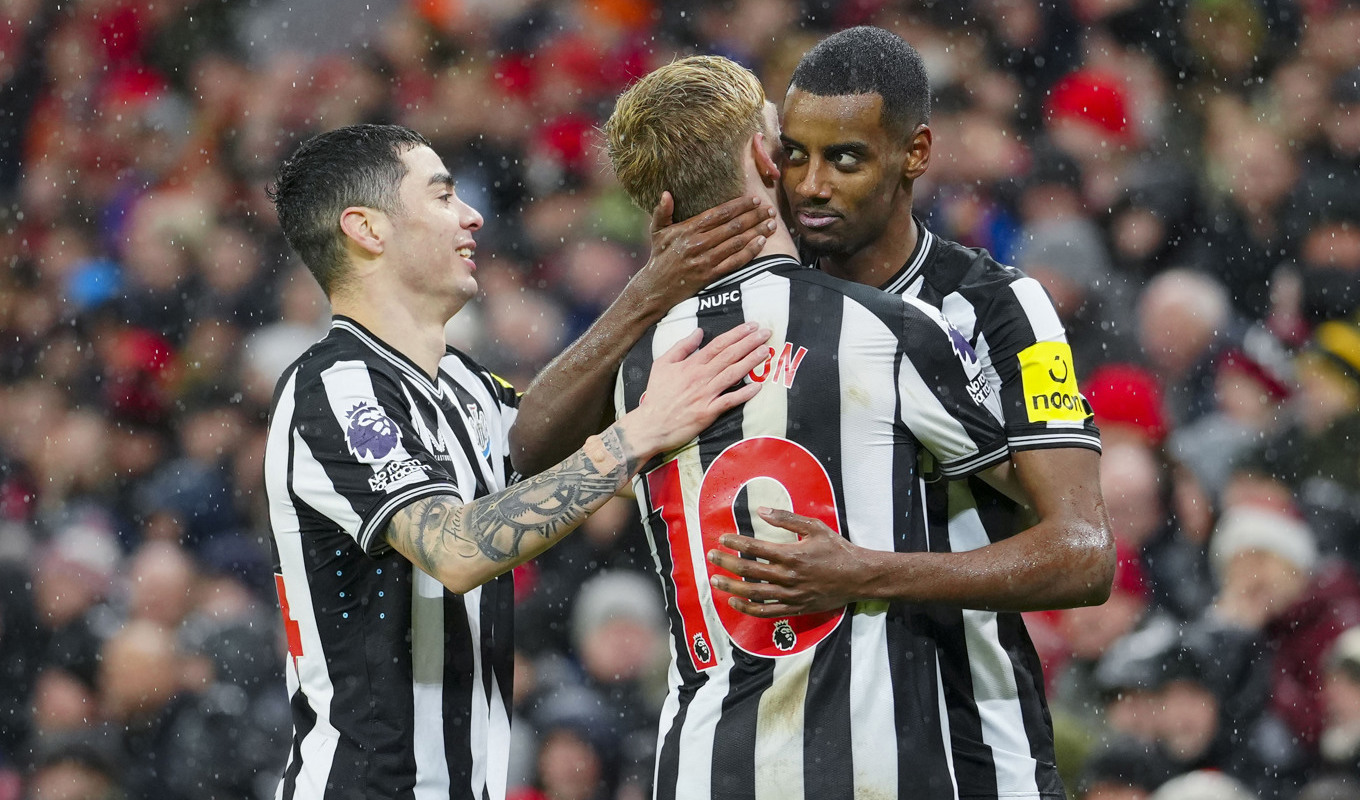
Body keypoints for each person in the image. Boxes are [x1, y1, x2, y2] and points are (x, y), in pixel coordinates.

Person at [515, 26, 1115, 800]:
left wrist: (867, 572)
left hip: (967, 738)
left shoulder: (996, 309)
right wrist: (647, 290)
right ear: (767, 159)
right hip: (780, 747)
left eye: (847, 159)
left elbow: (1083, 552)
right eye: (794, 155)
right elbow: (532, 448)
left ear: (915, 153)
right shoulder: (720, 313)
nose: (812, 186)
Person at [262, 123, 772, 800]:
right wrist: (638, 431)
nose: (471, 215)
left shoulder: (463, 384)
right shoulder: (337, 387)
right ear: (367, 229)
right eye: (443, 197)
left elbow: (562, 458)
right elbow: (458, 547)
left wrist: (658, 293)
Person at [603, 54, 1026, 799]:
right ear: (767, 159)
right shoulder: (885, 327)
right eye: (787, 145)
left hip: (701, 763)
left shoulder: (636, 363)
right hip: (862, 764)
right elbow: (1041, 496)